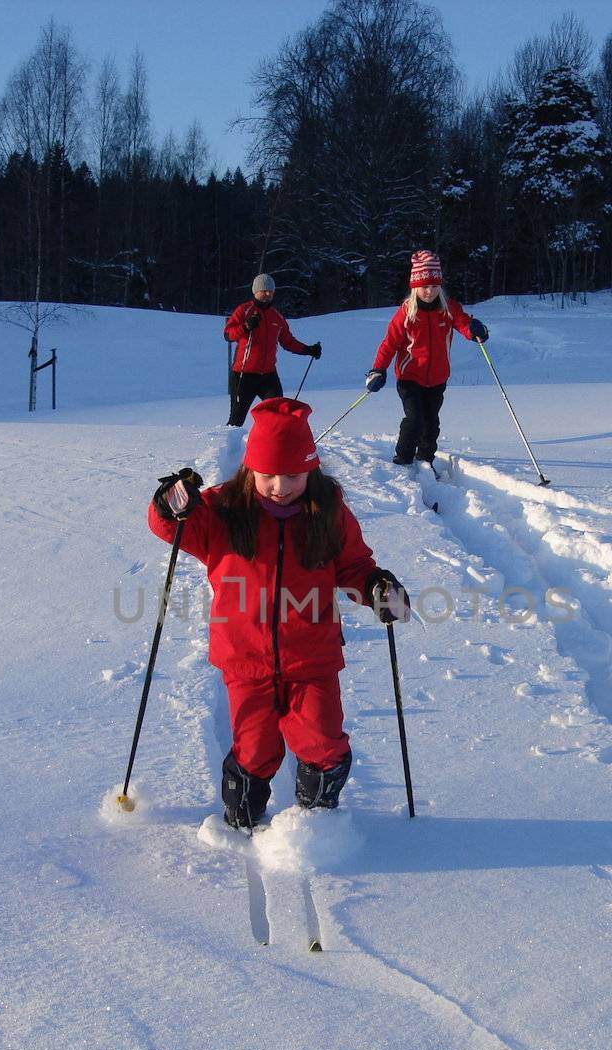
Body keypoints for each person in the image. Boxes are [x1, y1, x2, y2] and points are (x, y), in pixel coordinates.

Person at [148, 397, 409, 830]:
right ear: (250, 469)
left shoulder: (328, 513)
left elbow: (353, 566)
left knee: (324, 742)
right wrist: (171, 504)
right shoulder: (223, 510)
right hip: (244, 657)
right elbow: (173, 528)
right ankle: (242, 819)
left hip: (312, 656)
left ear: (311, 469)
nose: (279, 485)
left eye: (292, 475)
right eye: (268, 474)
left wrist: (375, 587)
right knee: (255, 748)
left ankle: (316, 824)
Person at [363, 250, 489, 466]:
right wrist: (378, 369)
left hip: (438, 378)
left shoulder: (448, 308)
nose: (429, 291)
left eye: (434, 286)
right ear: (415, 287)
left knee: (431, 423)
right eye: (424, 287)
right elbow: (389, 344)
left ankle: (425, 459)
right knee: (415, 420)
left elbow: (463, 323)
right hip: (409, 377)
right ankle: (403, 458)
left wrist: (474, 329)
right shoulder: (406, 313)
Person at [223, 273, 322, 427]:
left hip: (268, 376)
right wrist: (246, 326)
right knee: (236, 420)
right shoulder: (244, 310)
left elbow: (288, 341)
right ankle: (230, 450)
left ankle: (274, 447)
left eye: (271, 291)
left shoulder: (276, 316)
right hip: (243, 375)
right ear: (255, 292)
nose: (268, 294)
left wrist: (308, 350)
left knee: (279, 414)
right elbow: (228, 334)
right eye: (264, 291)